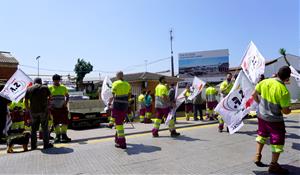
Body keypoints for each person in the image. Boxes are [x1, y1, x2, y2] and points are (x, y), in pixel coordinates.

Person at [252, 66, 291, 174]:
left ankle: (257, 156)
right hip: (274, 120)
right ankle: (273, 165)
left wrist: (260, 104)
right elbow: (285, 111)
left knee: (262, 135)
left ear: (277, 73)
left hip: (261, 116)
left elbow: (253, 95)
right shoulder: (284, 91)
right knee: (277, 141)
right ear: (287, 78)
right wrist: (289, 109)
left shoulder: (264, 82)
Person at [25, 77, 53, 150]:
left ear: (34, 82)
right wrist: (48, 104)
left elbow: (26, 100)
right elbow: (50, 97)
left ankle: (33, 146)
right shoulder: (45, 87)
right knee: (44, 128)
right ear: (41, 82)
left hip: (33, 111)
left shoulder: (29, 88)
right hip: (43, 111)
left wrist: (28, 108)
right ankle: (46, 145)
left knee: (33, 129)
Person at [108, 71, 131, 149]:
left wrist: (109, 103)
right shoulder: (127, 84)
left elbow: (113, 95)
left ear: (117, 76)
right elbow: (129, 95)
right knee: (119, 123)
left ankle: (122, 142)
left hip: (117, 105)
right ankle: (117, 139)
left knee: (119, 125)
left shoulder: (115, 83)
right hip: (124, 106)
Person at [49, 74, 71, 143]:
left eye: (58, 80)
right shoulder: (50, 88)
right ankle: (57, 136)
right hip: (54, 109)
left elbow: (67, 96)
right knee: (56, 122)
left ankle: (64, 135)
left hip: (63, 108)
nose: (56, 82)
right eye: (55, 80)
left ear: (59, 80)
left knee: (65, 121)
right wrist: (50, 105)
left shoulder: (63, 87)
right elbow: (48, 98)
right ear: (53, 80)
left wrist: (66, 103)